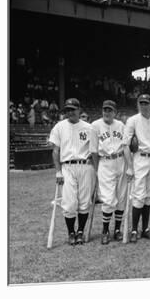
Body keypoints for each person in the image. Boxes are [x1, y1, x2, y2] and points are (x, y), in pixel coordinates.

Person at [49, 98, 95, 246]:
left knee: (84, 201)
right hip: (67, 166)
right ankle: (71, 233)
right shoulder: (59, 127)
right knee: (69, 202)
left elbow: (95, 149)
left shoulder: (89, 127)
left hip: (85, 166)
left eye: (73, 109)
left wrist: (94, 163)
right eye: (68, 110)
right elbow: (55, 151)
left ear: (79, 109)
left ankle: (80, 232)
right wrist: (58, 171)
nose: (70, 112)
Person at [90, 100, 133, 244]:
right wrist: (97, 169)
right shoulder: (95, 126)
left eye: (110, 110)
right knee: (108, 199)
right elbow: (94, 151)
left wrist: (129, 166)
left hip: (120, 160)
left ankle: (117, 230)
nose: (106, 113)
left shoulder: (120, 125)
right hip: (105, 162)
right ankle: (105, 230)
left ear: (115, 112)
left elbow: (126, 147)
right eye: (104, 110)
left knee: (121, 197)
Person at [123, 94, 150, 243]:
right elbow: (125, 145)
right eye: (141, 103)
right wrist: (130, 167)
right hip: (140, 158)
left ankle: (145, 229)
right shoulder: (133, 120)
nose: (143, 105)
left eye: (146, 103)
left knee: (149, 196)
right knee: (139, 195)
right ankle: (134, 229)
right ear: (138, 104)